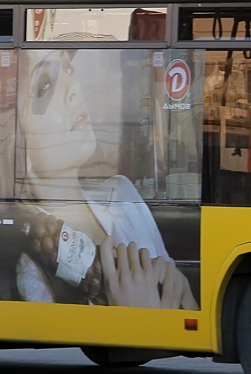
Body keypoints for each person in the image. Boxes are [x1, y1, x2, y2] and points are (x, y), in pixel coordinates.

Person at [14, 48, 197, 310]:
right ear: (15, 132)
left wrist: (183, 296)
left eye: (68, 69)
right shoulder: (32, 269)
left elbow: (180, 304)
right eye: (44, 86)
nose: (74, 89)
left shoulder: (122, 193)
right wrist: (140, 318)